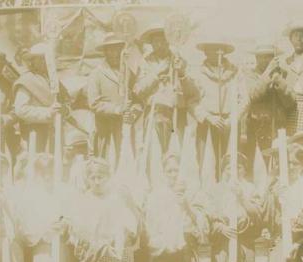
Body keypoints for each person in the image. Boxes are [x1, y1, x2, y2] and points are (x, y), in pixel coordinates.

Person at [134, 23, 201, 152]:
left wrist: (181, 73)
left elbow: (193, 92)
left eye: (163, 41)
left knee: (175, 153)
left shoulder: (180, 61)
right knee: (153, 151)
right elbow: (138, 90)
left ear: (169, 42)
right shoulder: (145, 63)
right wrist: (157, 74)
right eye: (156, 42)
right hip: (154, 111)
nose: (160, 45)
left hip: (176, 111)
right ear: (152, 44)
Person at [241, 44, 296, 174]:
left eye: (269, 57)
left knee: (279, 162)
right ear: (256, 58)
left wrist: (278, 80)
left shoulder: (284, 75)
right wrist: (267, 75)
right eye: (262, 57)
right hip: (257, 127)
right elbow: (254, 95)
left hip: (279, 126)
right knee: (258, 164)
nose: (266, 60)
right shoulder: (250, 75)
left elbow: (290, 102)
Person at [87, 33, 141, 164]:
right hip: (104, 127)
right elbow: (94, 103)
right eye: (110, 50)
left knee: (125, 161)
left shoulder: (129, 73)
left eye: (117, 49)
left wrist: (133, 113)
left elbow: (138, 100)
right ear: (105, 52)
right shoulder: (97, 74)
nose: (114, 53)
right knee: (103, 162)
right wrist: (117, 109)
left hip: (125, 127)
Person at [192, 39, 239, 179]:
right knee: (206, 165)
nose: (217, 52)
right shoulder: (198, 74)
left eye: (219, 48)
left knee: (228, 164)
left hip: (228, 124)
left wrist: (232, 118)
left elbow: (243, 99)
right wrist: (209, 117)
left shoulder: (235, 72)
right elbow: (192, 101)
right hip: (207, 123)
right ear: (205, 51)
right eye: (212, 49)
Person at [265, 22, 303, 134]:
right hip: (289, 110)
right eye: (295, 36)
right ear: (291, 39)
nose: (299, 39)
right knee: (291, 146)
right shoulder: (284, 61)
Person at [13, 43, 69, 153]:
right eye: (40, 58)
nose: (44, 61)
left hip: (55, 133)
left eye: (47, 58)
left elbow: (67, 102)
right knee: (37, 165)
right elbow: (21, 110)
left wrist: (65, 110)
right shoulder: (27, 80)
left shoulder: (55, 81)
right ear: (33, 61)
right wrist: (48, 112)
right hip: (34, 133)